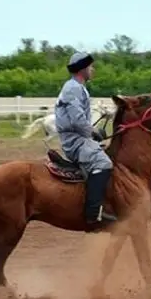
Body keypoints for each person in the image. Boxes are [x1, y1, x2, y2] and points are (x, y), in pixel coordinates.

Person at [55, 51, 117, 230]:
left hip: (79, 138)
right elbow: (77, 120)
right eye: (90, 66)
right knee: (103, 163)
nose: (93, 69)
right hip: (76, 141)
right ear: (83, 69)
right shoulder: (73, 88)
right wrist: (93, 132)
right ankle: (93, 214)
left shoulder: (76, 87)